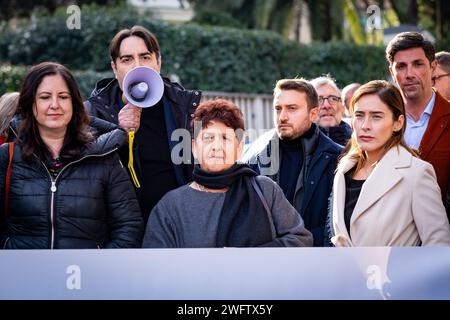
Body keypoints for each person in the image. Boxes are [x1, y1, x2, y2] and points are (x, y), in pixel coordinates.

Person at [0, 62, 144, 249]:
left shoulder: (104, 156)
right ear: (30, 104)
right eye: (44, 97)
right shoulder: (8, 156)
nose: (54, 105)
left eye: (63, 97)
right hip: (23, 274)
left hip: (87, 275)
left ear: (75, 103)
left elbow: (129, 227)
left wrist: (100, 267)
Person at [142, 99, 313, 248]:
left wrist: (250, 258)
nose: (216, 146)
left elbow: (300, 239)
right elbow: (157, 264)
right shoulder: (171, 206)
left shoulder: (265, 190)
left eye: (225, 138)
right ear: (194, 147)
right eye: (208, 138)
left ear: (239, 147)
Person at [85, 25, 201, 223]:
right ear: (114, 68)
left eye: (145, 57)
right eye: (126, 59)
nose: (137, 65)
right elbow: (86, 168)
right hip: (121, 225)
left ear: (158, 62)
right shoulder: (93, 112)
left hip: (178, 223)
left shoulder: (185, 107)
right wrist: (118, 133)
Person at [329, 80, 450, 246]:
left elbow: (438, 245)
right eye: (359, 115)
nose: (365, 125)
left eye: (376, 116)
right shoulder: (344, 169)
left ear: (398, 123)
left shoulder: (416, 173)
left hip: (395, 272)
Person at [242, 79, 342, 246]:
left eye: (292, 108)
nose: (282, 117)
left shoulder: (337, 158)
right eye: (278, 109)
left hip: (316, 260)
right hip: (263, 260)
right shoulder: (253, 154)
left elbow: (336, 224)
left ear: (313, 113)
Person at [386, 32, 450, 216]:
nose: (409, 74)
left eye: (418, 64)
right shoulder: (379, 120)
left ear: (433, 67)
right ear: (392, 71)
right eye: (401, 66)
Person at [310, 75, 352, 146]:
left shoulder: (358, 145)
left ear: (342, 108)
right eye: (318, 100)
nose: (326, 105)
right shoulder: (295, 146)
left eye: (333, 98)